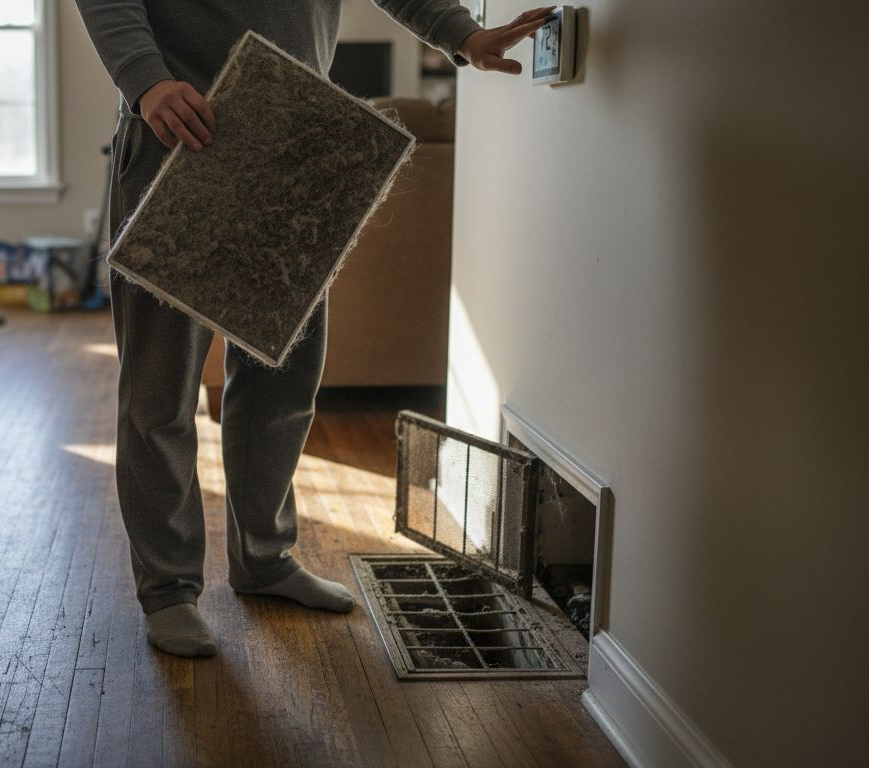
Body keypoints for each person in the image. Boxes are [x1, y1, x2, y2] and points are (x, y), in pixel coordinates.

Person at [76, 0, 554, 658]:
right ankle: (168, 589)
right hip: (176, 136)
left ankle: (264, 559)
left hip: (292, 139)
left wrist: (461, 34)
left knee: (285, 378)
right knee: (160, 392)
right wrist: (145, 78)